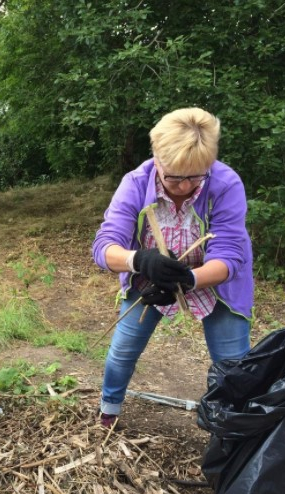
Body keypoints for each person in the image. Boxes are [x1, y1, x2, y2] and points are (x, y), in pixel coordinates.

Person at [92, 107, 254, 428]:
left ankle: (231, 430)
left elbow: (230, 256)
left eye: (195, 176)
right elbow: (104, 248)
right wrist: (139, 261)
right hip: (150, 279)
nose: (183, 186)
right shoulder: (136, 183)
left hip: (214, 283)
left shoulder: (224, 184)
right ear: (157, 157)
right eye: (174, 177)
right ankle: (108, 412)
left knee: (232, 366)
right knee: (122, 351)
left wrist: (189, 280)